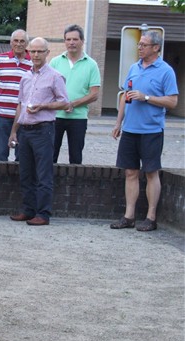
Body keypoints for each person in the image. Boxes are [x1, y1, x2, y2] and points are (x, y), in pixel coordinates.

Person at [110, 31, 178, 232]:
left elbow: (173, 101)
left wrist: (147, 97)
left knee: (150, 172)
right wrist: (118, 123)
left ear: (156, 48)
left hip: (151, 130)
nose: (140, 47)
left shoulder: (166, 71)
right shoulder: (134, 67)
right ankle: (129, 216)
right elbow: (125, 96)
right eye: (139, 44)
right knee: (130, 172)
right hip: (130, 129)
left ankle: (151, 217)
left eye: (144, 45)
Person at [9, 37, 69, 226]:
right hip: (25, 130)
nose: (35, 55)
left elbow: (65, 102)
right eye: (32, 51)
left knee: (43, 174)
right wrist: (14, 131)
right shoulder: (26, 76)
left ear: (47, 53)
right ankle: (28, 210)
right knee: (26, 172)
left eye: (39, 51)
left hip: (43, 130)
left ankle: (43, 214)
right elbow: (20, 105)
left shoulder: (55, 76)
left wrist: (43, 106)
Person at [50, 24, 101, 164]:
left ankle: (74, 185)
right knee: (50, 154)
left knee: (76, 156)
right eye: (68, 39)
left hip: (78, 118)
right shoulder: (55, 62)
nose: (71, 42)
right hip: (55, 117)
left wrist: (73, 104)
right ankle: (48, 185)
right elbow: (47, 88)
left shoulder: (91, 65)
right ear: (64, 41)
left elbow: (94, 94)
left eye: (75, 39)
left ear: (82, 41)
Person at [0, 29, 32, 162]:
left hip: (23, 117)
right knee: (0, 156)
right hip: (1, 116)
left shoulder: (33, 63)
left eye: (22, 41)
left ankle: (18, 183)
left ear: (27, 43)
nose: (19, 44)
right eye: (16, 40)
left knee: (22, 157)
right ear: (11, 42)